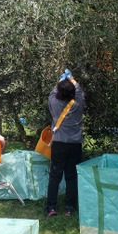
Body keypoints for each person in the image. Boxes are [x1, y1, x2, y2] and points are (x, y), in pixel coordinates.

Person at [45, 68, 85, 217]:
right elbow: (79, 90)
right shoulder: (78, 103)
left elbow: (53, 93)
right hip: (75, 145)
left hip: (59, 144)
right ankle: (69, 208)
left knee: (55, 175)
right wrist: (72, 80)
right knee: (71, 175)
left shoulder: (54, 103)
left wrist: (60, 82)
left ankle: (51, 208)